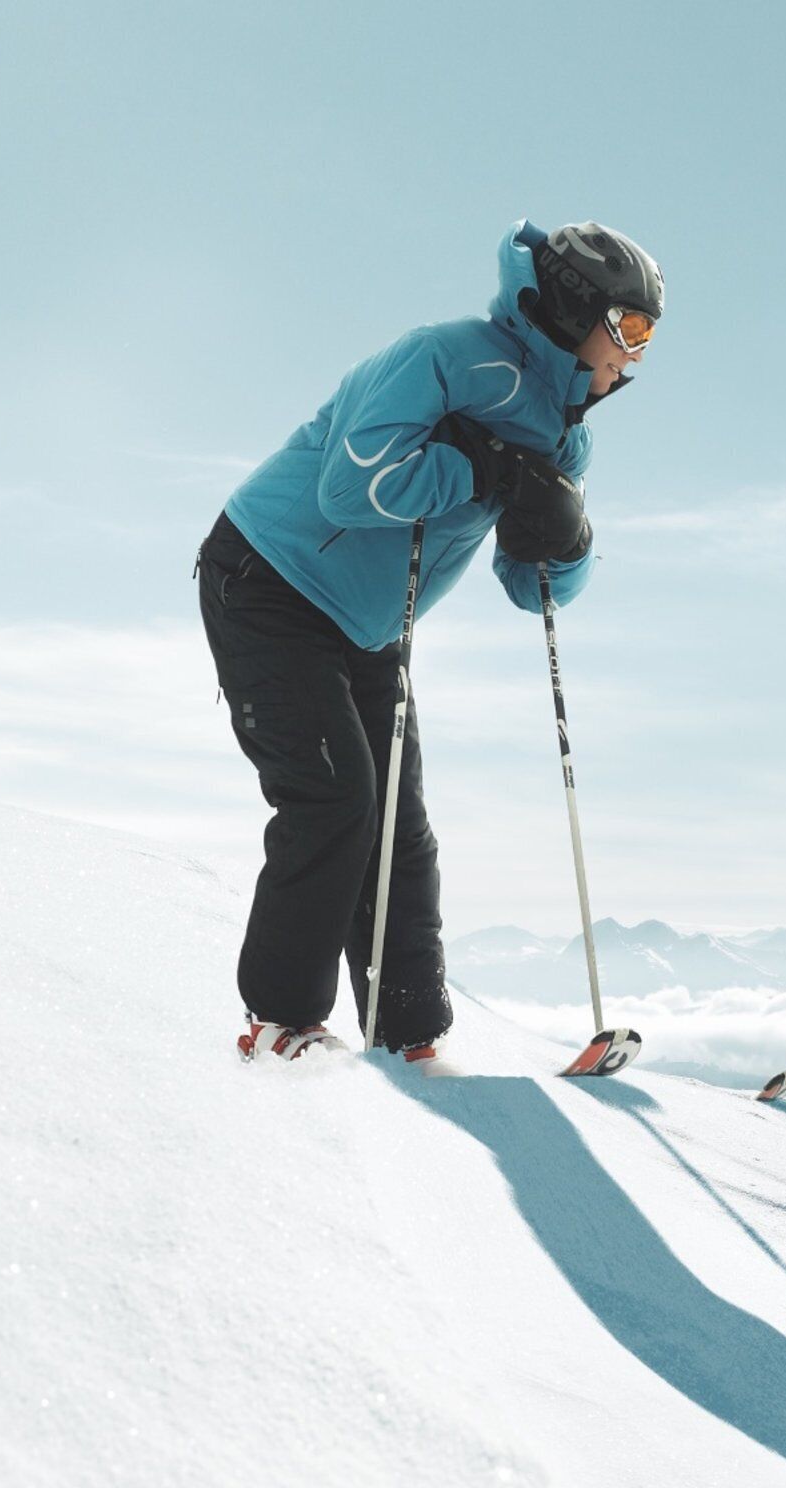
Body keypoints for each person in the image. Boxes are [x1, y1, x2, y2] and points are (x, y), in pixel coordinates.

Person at [196, 220, 663, 1064]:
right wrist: (480, 470)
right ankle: (278, 1023)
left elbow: (535, 589)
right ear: (575, 308)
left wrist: (566, 533)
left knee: (399, 833)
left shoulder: (565, 433)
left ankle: (408, 1038)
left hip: (370, 626)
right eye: (630, 328)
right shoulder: (445, 358)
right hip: (269, 578)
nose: (635, 354)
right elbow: (351, 486)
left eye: (648, 336)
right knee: (337, 797)